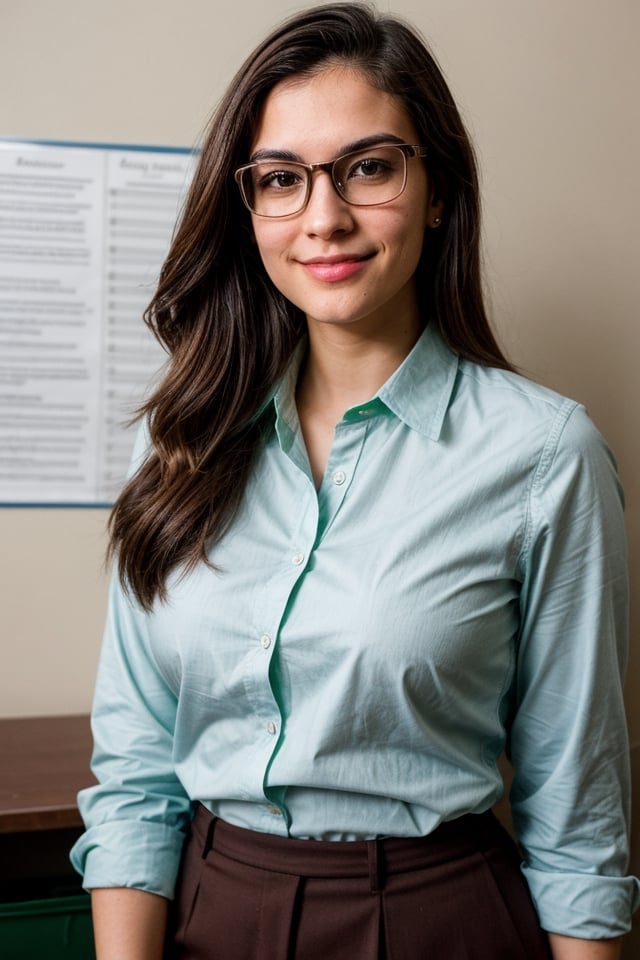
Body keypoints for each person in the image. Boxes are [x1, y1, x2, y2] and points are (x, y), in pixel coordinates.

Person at [70, 3, 639, 958]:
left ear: (439, 189)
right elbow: (135, 768)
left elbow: (581, 815)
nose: (324, 216)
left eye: (369, 167)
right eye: (282, 180)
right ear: (247, 208)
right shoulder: (181, 440)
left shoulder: (546, 456)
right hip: (207, 913)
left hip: (438, 919)